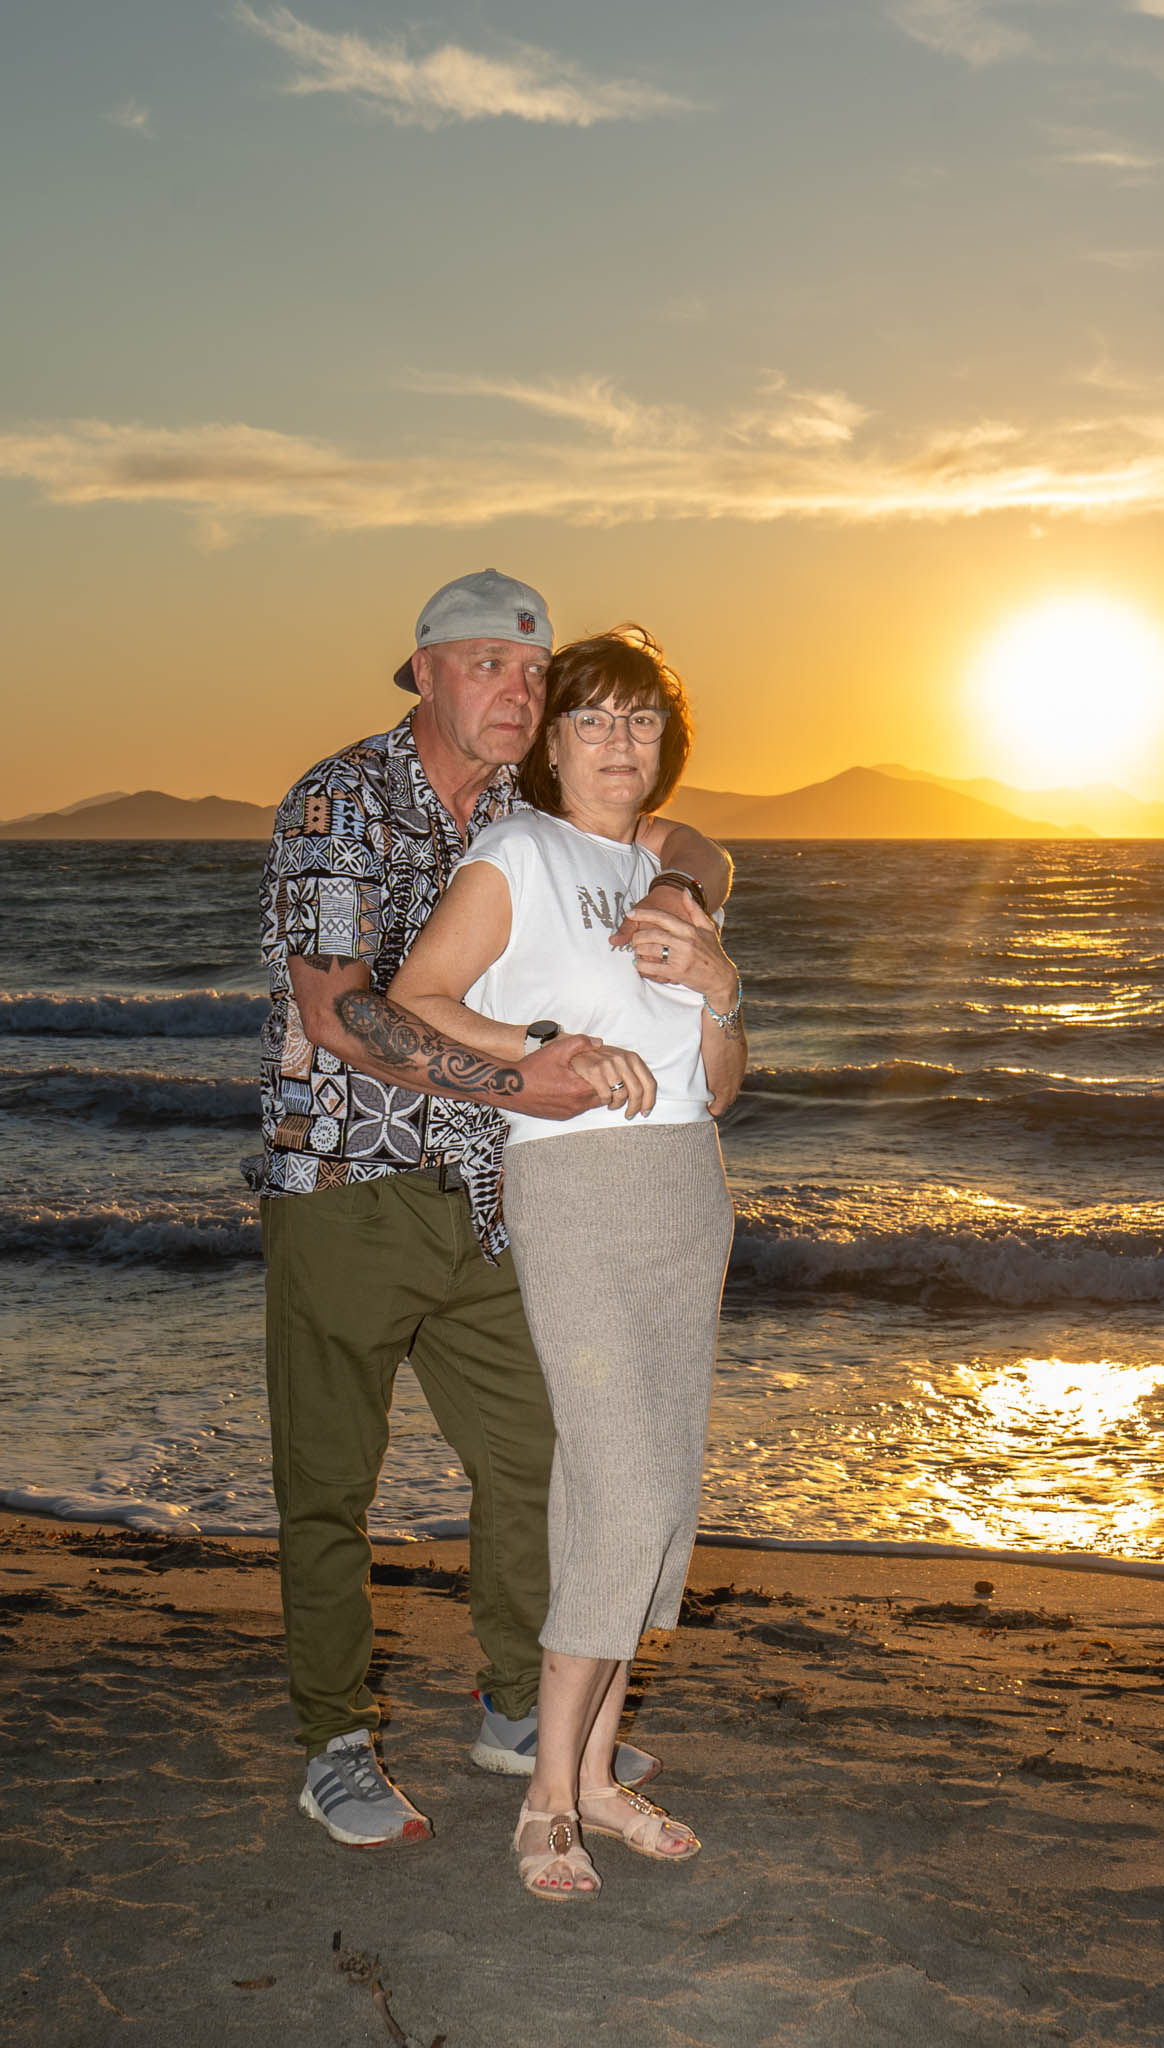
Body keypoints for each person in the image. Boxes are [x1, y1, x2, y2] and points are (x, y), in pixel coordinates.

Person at [249, 570, 731, 1847]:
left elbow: (681, 837)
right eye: (484, 664)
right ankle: (334, 1740)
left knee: (543, 1456)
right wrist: (530, 1072)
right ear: (423, 672)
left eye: (531, 672)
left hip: (491, 1193)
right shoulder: (338, 800)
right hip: (345, 1183)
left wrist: (684, 894)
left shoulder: (533, 804)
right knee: (329, 1481)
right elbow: (340, 1010)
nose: (515, 691)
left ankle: (519, 1703)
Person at [390, 625, 745, 1899]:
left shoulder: (664, 873)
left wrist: (720, 982)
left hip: (687, 1188)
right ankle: (546, 1797)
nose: (617, 741)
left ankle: (597, 1774)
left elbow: (720, 1085)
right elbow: (417, 996)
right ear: (549, 740)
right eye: (591, 718)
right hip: (576, 1189)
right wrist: (541, 1046)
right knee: (621, 1484)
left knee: (657, 1498)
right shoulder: (519, 851)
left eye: (640, 720)